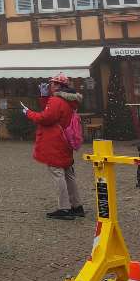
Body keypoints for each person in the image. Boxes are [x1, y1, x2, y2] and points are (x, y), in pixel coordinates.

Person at [24, 74, 84, 220]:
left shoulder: (56, 100)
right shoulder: (68, 100)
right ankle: (76, 206)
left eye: (51, 84)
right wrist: (45, 98)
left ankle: (64, 208)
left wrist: (28, 113)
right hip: (64, 141)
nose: (49, 86)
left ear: (58, 86)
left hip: (55, 141)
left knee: (58, 173)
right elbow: (52, 112)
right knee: (69, 173)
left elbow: (46, 118)